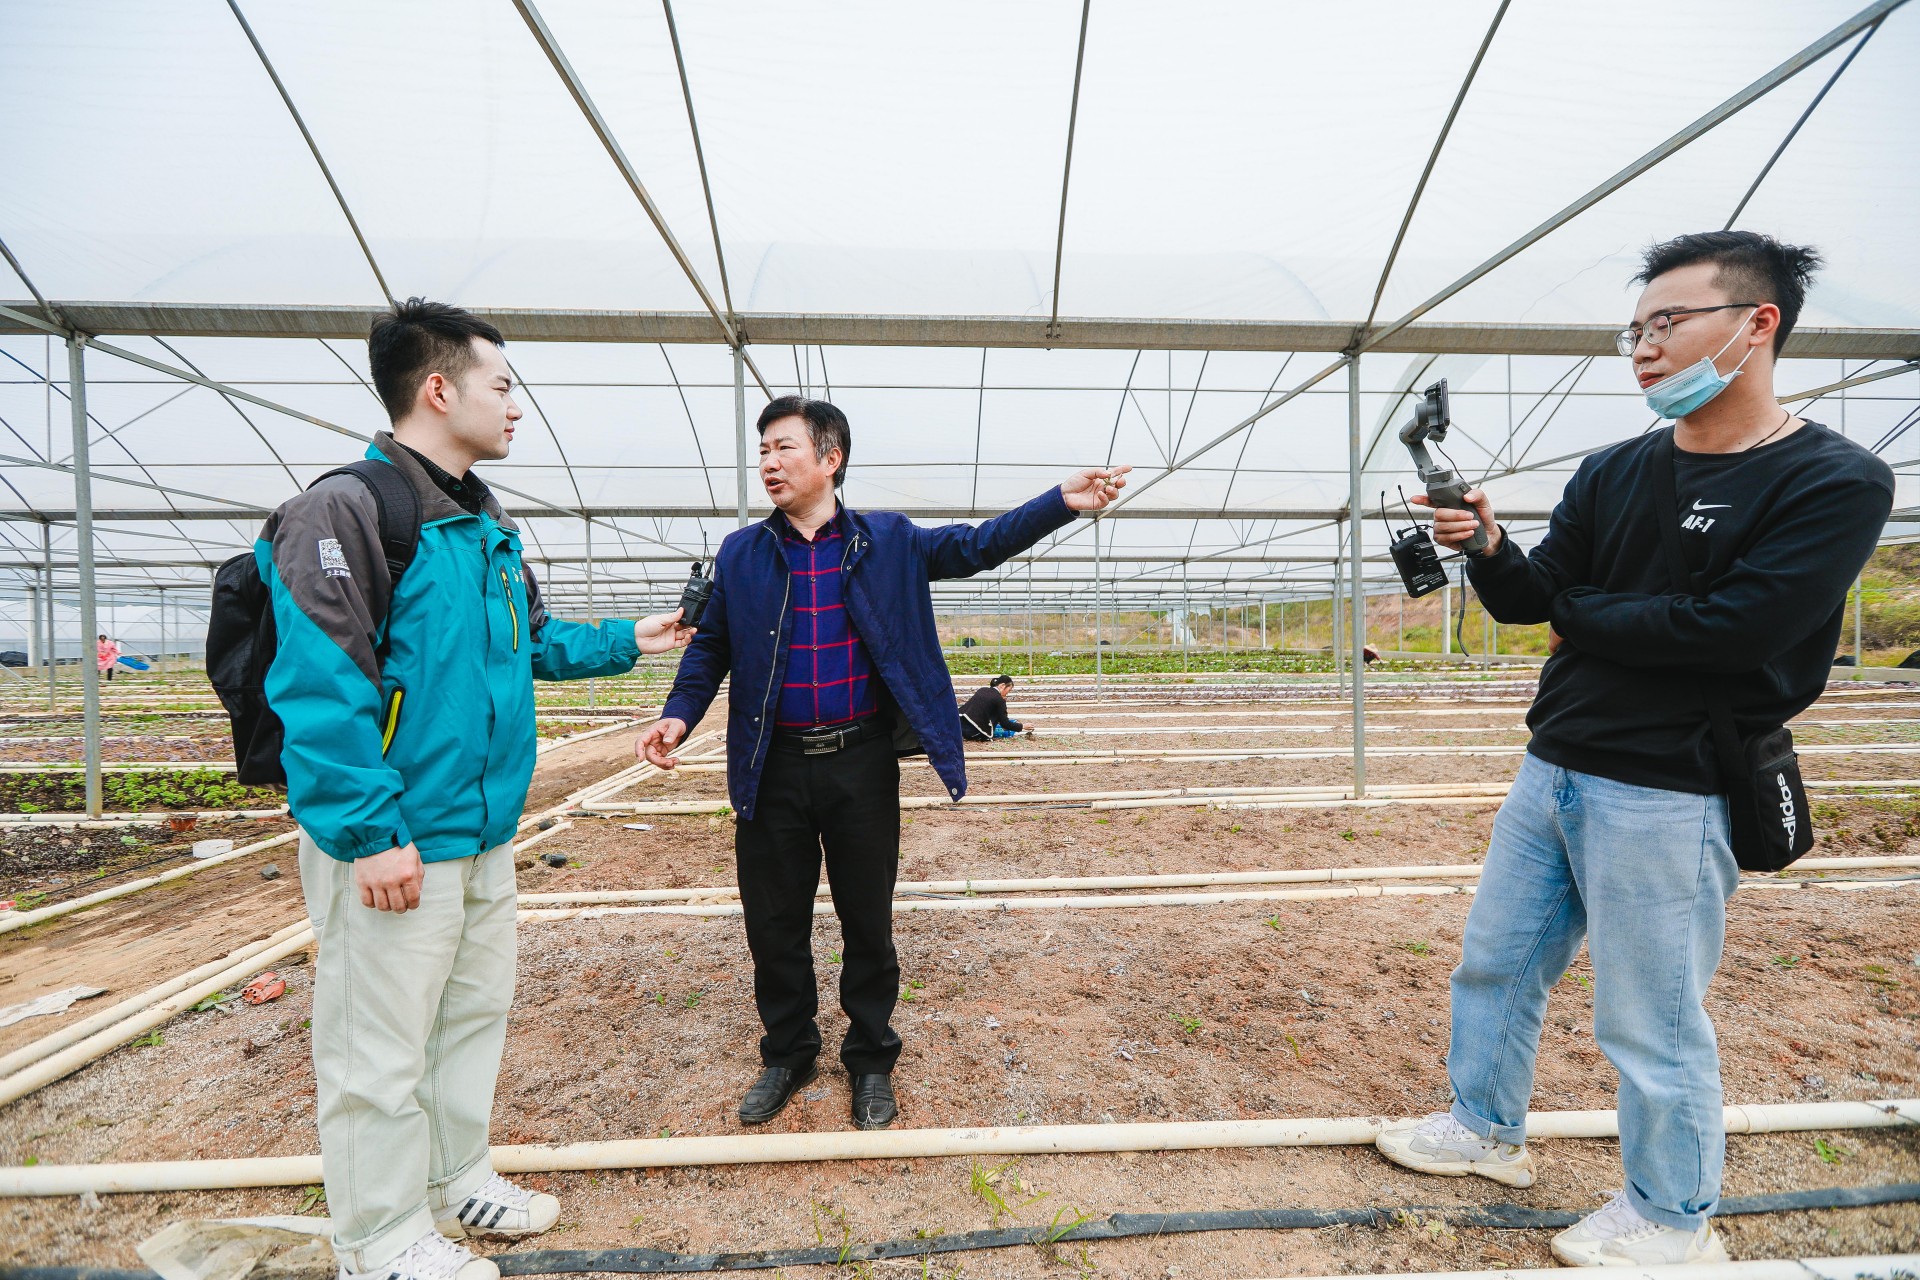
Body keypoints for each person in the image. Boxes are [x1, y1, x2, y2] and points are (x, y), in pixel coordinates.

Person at [1374, 232, 1892, 1267]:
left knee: (1650, 1016)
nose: (1646, 347)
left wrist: (1582, 613)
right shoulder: (1614, 469)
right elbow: (1534, 601)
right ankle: (1485, 1127)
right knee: (1497, 960)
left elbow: (1732, 632)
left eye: (1669, 322)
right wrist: (1491, 548)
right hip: (1557, 760)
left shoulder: (1834, 479)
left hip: (1673, 785)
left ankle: (1671, 1214)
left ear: (1757, 324)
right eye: (1636, 330)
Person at [263, 299, 693, 1280]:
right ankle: (380, 1239)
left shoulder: (483, 522)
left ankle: (455, 1180)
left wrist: (632, 637)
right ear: (438, 389)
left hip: (482, 829)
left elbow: (527, 643)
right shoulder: (346, 513)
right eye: (502, 386)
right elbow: (321, 687)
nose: (515, 406)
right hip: (397, 836)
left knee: (466, 1019)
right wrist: (371, 833)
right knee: (377, 1048)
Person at [639, 396, 1127, 1130]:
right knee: (773, 922)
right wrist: (679, 713)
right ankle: (789, 1053)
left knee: (867, 919)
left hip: (860, 763)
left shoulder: (888, 541)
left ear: (829, 458)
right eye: (763, 450)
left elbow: (978, 546)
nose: (769, 462)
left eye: (784, 447)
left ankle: (871, 1058)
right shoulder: (742, 553)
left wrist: (1058, 502)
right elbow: (711, 646)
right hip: (772, 764)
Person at [959, 674, 1030, 741]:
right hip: (975, 732)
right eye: (1009, 690)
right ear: (1002, 686)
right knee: (998, 715)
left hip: (960, 726)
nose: (1007, 694)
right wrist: (1022, 726)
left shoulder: (982, 690)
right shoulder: (999, 700)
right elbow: (1005, 723)